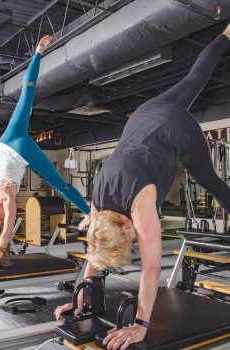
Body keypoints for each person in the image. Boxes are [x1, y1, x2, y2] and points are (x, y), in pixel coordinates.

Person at [54, 24, 230, 350]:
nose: (134, 237)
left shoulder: (139, 206)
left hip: (178, 132)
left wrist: (140, 326)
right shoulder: (98, 203)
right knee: (194, 79)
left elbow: (151, 269)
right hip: (144, 116)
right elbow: (96, 253)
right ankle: (227, 33)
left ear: (124, 223)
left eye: (130, 237)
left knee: (213, 182)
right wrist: (78, 300)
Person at [0, 35, 91, 276]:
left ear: (0, 215)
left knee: (60, 184)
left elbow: (4, 234)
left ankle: (89, 212)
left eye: (3, 217)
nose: (6, 217)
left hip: (22, 150)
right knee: (27, 92)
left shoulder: (6, 198)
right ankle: (38, 51)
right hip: (8, 141)